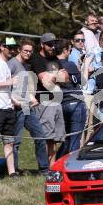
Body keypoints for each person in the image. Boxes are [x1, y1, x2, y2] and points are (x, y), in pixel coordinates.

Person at [8, 39, 49, 175]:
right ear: (19, 49)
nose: (28, 53)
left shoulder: (27, 65)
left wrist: (31, 98)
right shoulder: (12, 64)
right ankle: (13, 170)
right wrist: (14, 102)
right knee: (16, 141)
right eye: (25, 50)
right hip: (16, 108)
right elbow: (6, 86)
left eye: (30, 51)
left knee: (40, 136)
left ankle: (44, 169)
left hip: (27, 107)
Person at [29, 33, 68, 166]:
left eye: (54, 44)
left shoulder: (55, 59)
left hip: (56, 101)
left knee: (55, 138)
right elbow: (45, 81)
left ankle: (52, 167)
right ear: (42, 45)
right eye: (49, 44)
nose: (53, 46)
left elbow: (66, 79)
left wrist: (54, 76)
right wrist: (58, 76)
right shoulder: (36, 58)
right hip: (43, 100)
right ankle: (44, 167)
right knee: (46, 136)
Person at [0, 37, 19, 179]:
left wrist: (13, 101)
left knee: (9, 141)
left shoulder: (6, 65)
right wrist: (9, 82)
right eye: (9, 47)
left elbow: (6, 88)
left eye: (14, 48)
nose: (12, 50)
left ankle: (12, 172)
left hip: (8, 108)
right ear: (2, 47)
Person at [55, 40, 87, 158]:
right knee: (74, 139)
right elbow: (83, 81)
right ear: (65, 50)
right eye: (70, 49)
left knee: (67, 139)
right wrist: (85, 64)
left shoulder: (51, 65)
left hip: (62, 104)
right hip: (76, 104)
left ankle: (57, 162)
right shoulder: (70, 65)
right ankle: (71, 165)